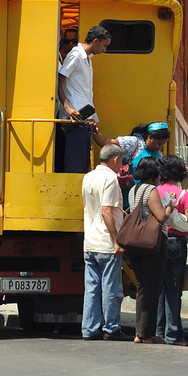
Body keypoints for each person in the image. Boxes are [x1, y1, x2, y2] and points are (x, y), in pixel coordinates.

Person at [80, 143, 128, 341]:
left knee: (91, 289)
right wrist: (117, 240)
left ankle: (89, 329)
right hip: (105, 242)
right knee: (111, 288)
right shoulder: (110, 178)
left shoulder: (88, 176)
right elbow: (106, 210)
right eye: (122, 161)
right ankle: (111, 327)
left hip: (90, 240)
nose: (122, 165)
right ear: (115, 159)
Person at [155, 154, 188, 345]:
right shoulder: (184, 195)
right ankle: (173, 335)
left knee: (159, 289)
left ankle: (158, 332)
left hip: (157, 241)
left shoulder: (154, 192)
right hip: (176, 243)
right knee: (173, 289)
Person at [124, 157, 172, 344]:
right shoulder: (151, 190)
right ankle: (146, 334)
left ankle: (140, 332)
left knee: (143, 287)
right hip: (152, 244)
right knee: (153, 289)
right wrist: (170, 207)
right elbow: (160, 217)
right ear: (154, 174)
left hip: (135, 244)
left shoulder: (134, 190)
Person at [55, 24, 112, 173]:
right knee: (75, 162)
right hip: (74, 117)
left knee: (82, 161)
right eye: (104, 46)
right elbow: (60, 79)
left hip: (84, 116)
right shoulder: (76, 55)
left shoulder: (86, 58)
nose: (104, 50)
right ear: (95, 41)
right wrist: (67, 106)